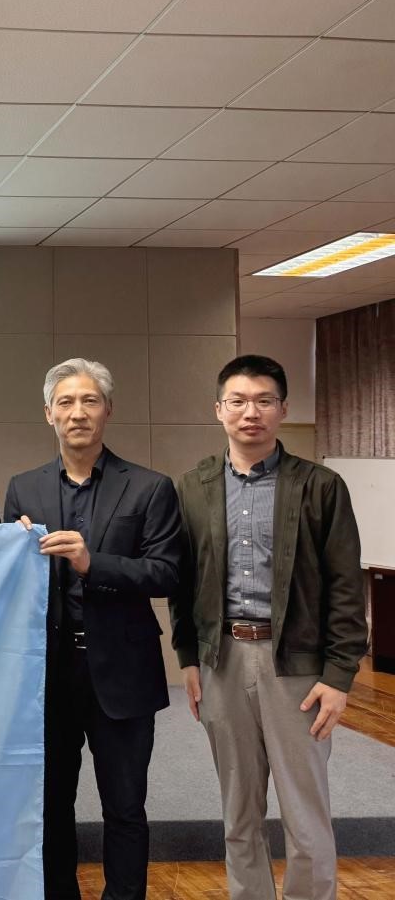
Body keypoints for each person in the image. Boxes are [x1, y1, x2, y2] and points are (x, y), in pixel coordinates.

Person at [170, 355, 366, 900]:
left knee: (306, 815)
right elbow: (183, 581)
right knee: (238, 813)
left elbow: (346, 586)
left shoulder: (321, 486)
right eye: (237, 401)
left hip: (297, 667)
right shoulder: (194, 487)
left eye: (263, 401)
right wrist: (189, 658)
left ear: (282, 409)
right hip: (222, 660)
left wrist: (339, 676)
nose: (250, 412)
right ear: (219, 410)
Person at [4, 359, 184, 900]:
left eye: (89, 401)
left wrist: (92, 563)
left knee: (125, 807)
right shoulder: (23, 488)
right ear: (48, 414)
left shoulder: (150, 487)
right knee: (51, 804)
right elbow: (8, 583)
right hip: (48, 674)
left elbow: (167, 573)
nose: (77, 413)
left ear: (108, 410)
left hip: (123, 672)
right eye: (66, 402)